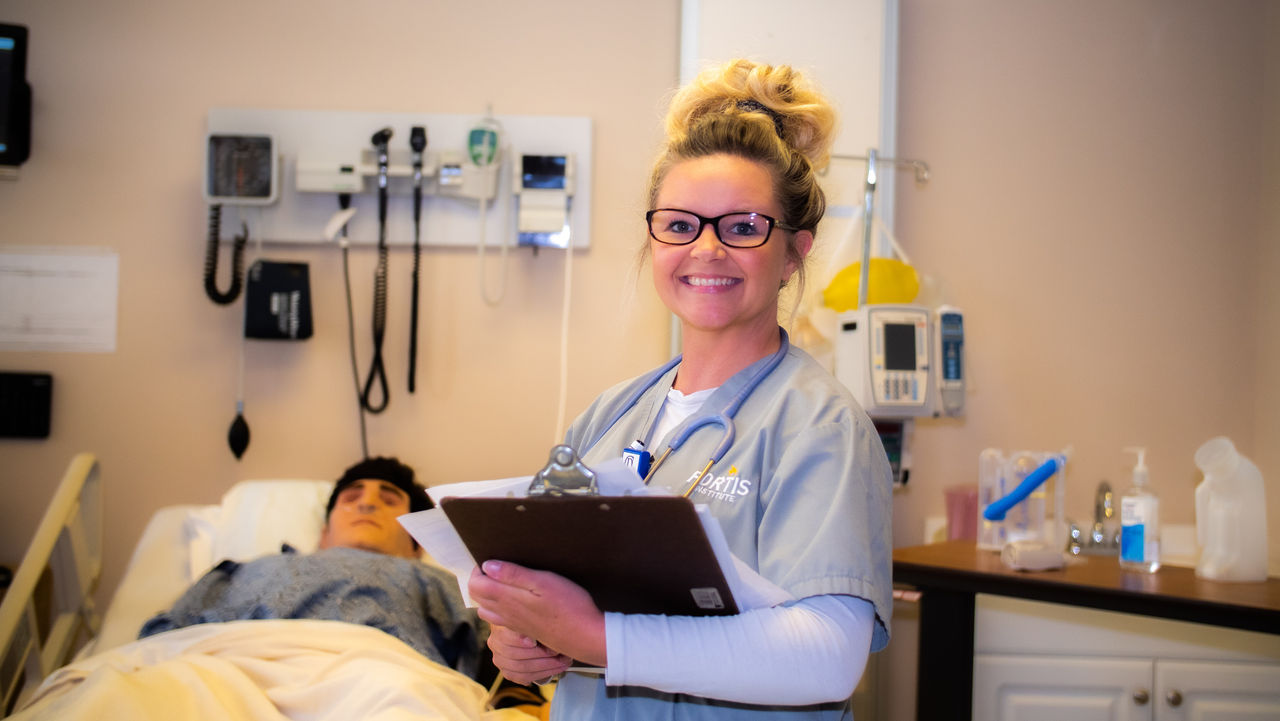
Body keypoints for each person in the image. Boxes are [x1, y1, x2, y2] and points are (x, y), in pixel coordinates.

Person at [467, 59, 893, 719]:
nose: (707, 248)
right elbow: (555, 598)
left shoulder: (818, 427)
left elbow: (830, 656)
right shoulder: (605, 419)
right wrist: (523, 640)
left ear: (794, 252)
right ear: (654, 236)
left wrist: (593, 635)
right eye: (680, 223)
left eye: (744, 227)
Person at [139, 456, 489, 679]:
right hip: (218, 672)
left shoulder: (447, 584)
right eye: (351, 498)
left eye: (388, 500)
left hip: (379, 682)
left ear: (417, 543)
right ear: (323, 533)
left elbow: (503, 668)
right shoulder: (242, 570)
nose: (367, 503)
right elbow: (159, 640)